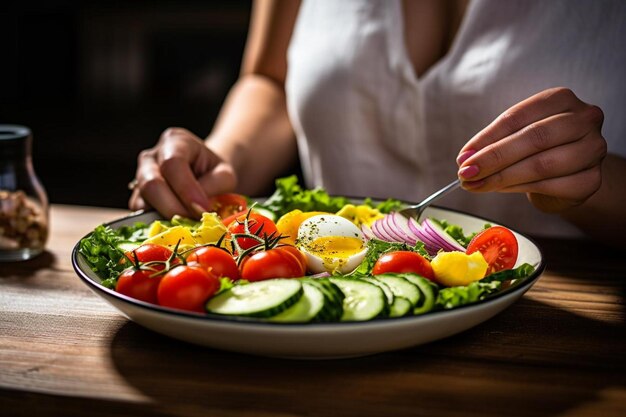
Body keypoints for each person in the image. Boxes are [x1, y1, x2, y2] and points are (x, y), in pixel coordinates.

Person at [129, 0, 626, 248]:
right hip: (324, 319)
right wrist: (222, 157)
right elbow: (271, 80)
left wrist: (595, 186)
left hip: (570, 325)